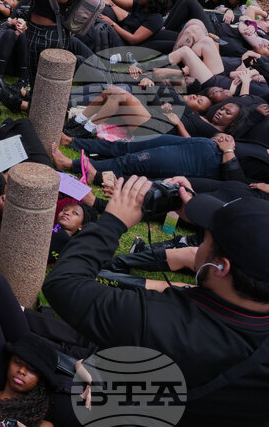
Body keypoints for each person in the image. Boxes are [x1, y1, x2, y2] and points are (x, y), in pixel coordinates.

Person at [43, 177, 269, 426]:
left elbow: (63, 284)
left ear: (220, 267)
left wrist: (113, 222)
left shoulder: (165, 322)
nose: (200, 242)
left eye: (206, 238)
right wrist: (197, 214)